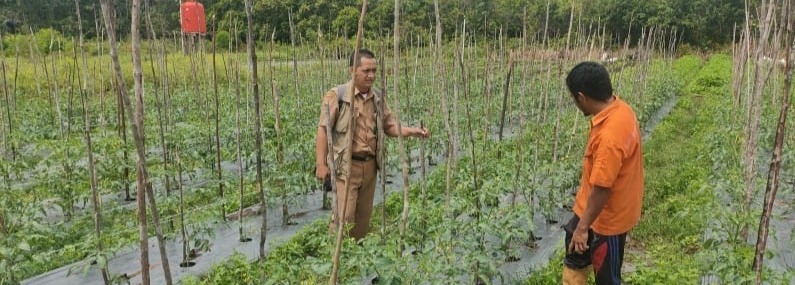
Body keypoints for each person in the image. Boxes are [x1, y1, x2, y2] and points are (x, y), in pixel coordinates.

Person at [315, 49, 429, 240]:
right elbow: (323, 129)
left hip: (369, 167)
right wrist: (321, 164)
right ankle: (335, 258)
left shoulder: (377, 97)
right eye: (366, 70)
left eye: (374, 71)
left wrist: (413, 131)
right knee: (344, 217)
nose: (371, 75)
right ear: (353, 70)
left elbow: (389, 126)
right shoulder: (338, 96)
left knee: (362, 219)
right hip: (345, 167)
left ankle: (356, 258)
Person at [562, 62, 644, 285]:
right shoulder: (621, 109)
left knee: (607, 278)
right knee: (573, 263)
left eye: (574, 98)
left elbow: (601, 189)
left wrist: (582, 228)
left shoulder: (610, 136)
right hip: (589, 209)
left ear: (582, 97)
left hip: (607, 221)